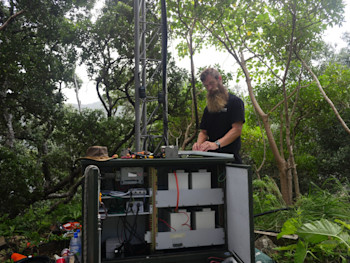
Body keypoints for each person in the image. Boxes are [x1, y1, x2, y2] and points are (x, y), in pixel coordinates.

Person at [192, 68, 245, 163]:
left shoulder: (235, 102)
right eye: (206, 86)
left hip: (230, 160)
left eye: (211, 83)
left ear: (219, 79)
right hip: (210, 160)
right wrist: (198, 145)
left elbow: (237, 130)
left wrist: (216, 144)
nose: (209, 88)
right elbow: (203, 132)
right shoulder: (208, 108)